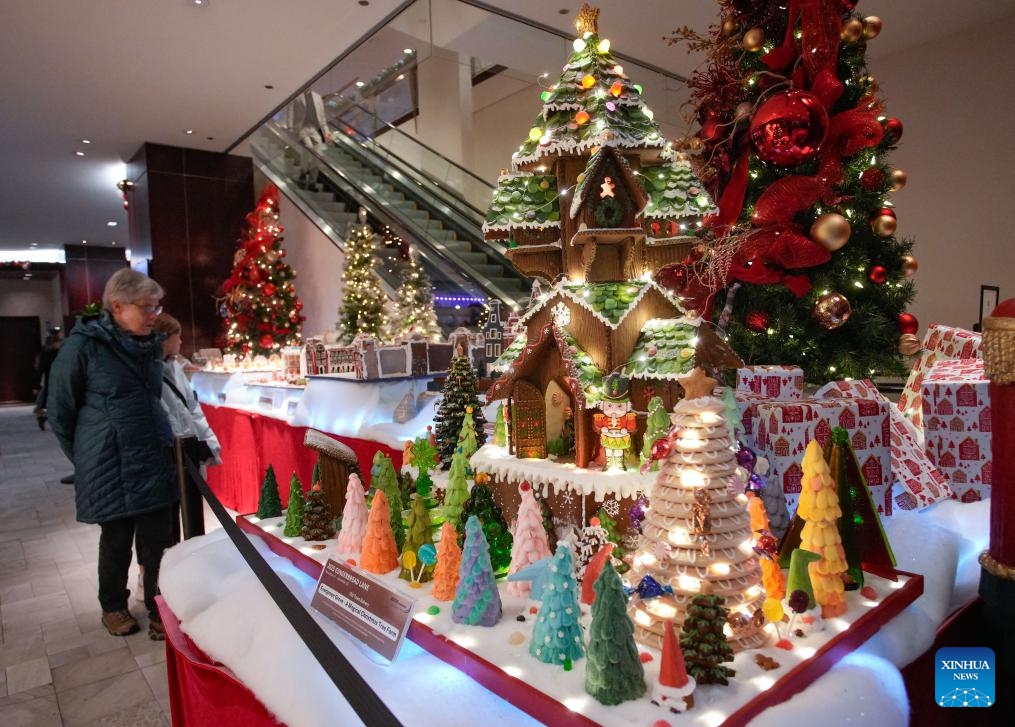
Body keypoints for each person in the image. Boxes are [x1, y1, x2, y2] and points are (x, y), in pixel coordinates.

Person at [47, 268, 177, 640]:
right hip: (109, 460)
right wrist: (86, 457)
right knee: (117, 537)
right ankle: (113, 606)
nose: (155, 313)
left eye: (156, 306)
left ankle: (159, 605)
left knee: (158, 539)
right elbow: (60, 409)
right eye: (147, 307)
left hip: (150, 453)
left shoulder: (150, 345)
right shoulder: (83, 345)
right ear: (117, 306)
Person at [152, 312, 221, 540]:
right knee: (165, 521)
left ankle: (188, 558)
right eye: (177, 337)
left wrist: (208, 443)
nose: (181, 342)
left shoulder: (175, 368)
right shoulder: (149, 372)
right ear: (164, 339)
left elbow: (192, 408)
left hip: (186, 451)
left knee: (191, 511)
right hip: (166, 454)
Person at [33, 328, 63, 430]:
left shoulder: (59, 352)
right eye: (58, 343)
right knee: (47, 402)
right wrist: (36, 385)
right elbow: (40, 369)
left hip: (57, 380)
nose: (59, 345)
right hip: (51, 380)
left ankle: (46, 417)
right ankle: (42, 417)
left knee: (54, 402)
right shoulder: (47, 354)